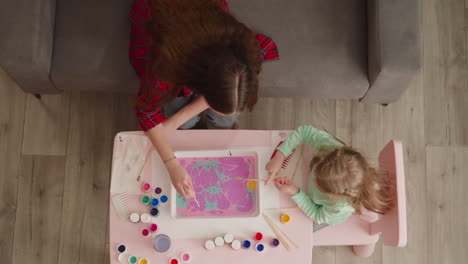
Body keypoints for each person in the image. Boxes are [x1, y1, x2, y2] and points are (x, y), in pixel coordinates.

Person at [129, 0, 279, 198]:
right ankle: (190, 127)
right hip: (161, 21)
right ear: (198, 87)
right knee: (186, 120)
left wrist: (169, 126)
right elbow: (146, 110)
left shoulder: (240, 49)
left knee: (223, 119)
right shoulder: (166, 71)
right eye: (212, 103)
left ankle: (209, 125)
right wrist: (171, 164)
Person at [265, 125, 393, 225]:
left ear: (334, 195)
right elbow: (305, 131)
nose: (314, 178)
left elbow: (317, 215)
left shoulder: (340, 207)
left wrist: (295, 192)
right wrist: (280, 155)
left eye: (318, 183)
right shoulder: (335, 150)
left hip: (319, 213)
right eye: (317, 172)